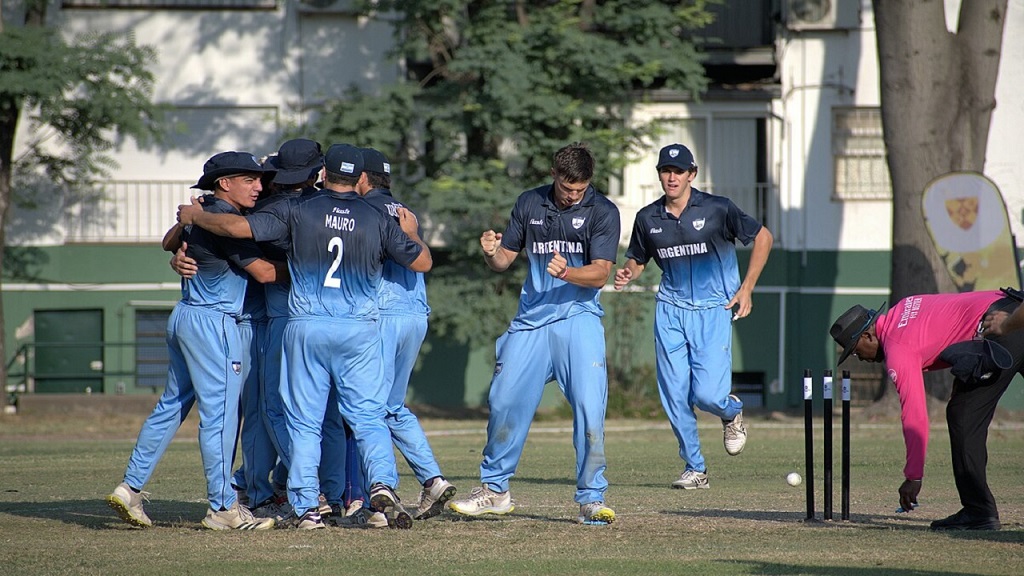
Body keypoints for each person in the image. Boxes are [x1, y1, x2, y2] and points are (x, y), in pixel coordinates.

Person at [177, 143, 432, 530]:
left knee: (304, 420)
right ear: (360, 177)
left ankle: (307, 507)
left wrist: (196, 215)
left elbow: (237, 227)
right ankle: (382, 483)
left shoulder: (296, 209)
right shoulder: (378, 216)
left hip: (307, 325)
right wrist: (410, 233)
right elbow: (423, 262)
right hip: (360, 330)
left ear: (323, 175)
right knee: (368, 417)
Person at [107, 151, 285, 530]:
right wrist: (311, 266)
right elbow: (266, 273)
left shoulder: (202, 210)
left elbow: (171, 240)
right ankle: (223, 508)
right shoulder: (224, 220)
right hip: (216, 324)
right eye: (249, 179)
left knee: (171, 405)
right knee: (221, 417)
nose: (259, 186)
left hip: (185, 316)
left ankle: (130, 487)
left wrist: (183, 231)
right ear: (224, 183)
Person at [447, 142, 620, 525]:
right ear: (554, 175)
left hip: (578, 318)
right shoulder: (529, 203)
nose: (573, 195)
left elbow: (601, 273)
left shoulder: (603, 211)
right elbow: (504, 260)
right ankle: (495, 491)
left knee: (591, 411)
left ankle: (591, 499)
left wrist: (567, 273)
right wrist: (491, 252)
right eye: (567, 187)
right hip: (531, 321)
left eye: (580, 189)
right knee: (504, 400)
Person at [613, 143, 772, 490]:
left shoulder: (717, 209)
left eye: (678, 171)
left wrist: (746, 288)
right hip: (670, 309)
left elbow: (763, 237)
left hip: (713, 310)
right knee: (674, 394)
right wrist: (628, 272)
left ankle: (731, 412)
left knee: (708, 397)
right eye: (665, 171)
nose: (671, 177)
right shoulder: (648, 218)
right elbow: (638, 259)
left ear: (692, 174)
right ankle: (695, 468)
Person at [829, 289, 1022, 530]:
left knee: (962, 416)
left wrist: (914, 476)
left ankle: (979, 511)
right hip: (1016, 307)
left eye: (855, 350)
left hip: (1000, 327)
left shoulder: (897, 348)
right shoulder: (904, 306)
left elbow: (915, 416)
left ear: (868, 335)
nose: (859, 358)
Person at [345, 147, 456, 523]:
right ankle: (433, 480)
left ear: (362, 178)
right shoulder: (404, 210)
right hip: (414, 316)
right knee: (393, 407)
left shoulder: (363, 211)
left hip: (382, 316)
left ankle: (381, 489)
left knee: (368, 409)